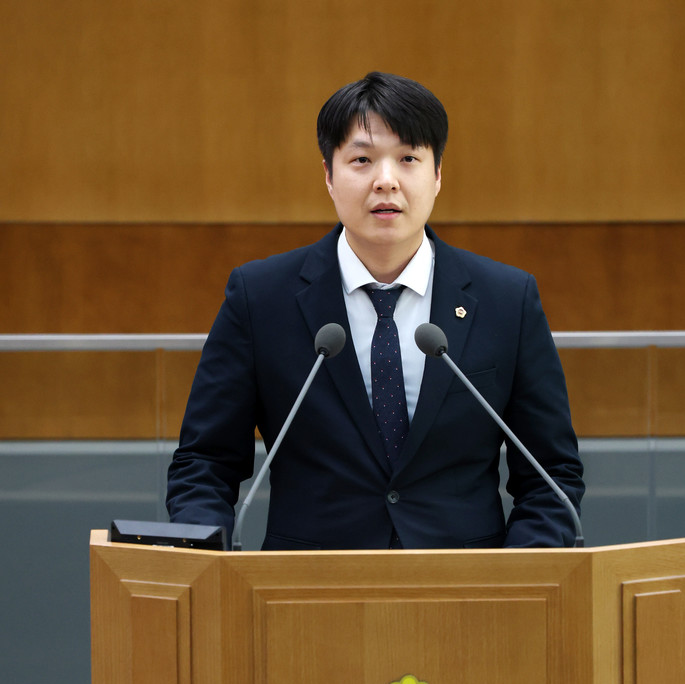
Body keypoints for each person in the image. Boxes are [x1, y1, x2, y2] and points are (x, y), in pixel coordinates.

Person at [166, 72, 584, 549]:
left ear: (438, 174)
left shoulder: (506, 299)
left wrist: (522, 574)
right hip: (305, 585)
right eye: (362, 160)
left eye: (408, 158)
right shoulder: (260, 297)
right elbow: (205, 462)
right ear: (328, 175)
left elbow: (551, 473)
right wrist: (206, 560)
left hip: (466, 584)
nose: (386, 181)